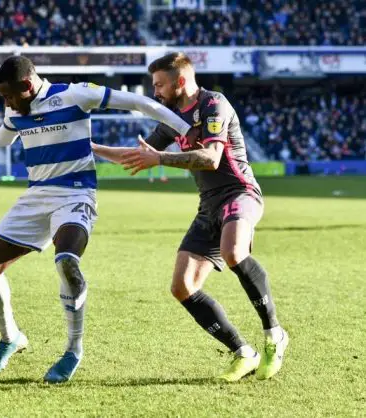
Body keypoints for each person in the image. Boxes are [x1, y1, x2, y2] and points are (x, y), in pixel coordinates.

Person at [0, 55, 197, 383]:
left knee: (67, 262)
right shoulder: (17, 108)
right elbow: (2, 136)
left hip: (75, 194)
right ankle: (10, 337)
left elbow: (141, 102)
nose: (8, 103)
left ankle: (73, 349)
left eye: (10, 96)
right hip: (36, 196)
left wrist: (187, 128)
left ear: (27, 86)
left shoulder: (75, 95)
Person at [93, 52, 288, 382]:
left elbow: (211, 159)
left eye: (160, 85)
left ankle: (274, 333)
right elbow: (140, 154)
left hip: (239, 194)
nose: (155, 92)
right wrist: (91, 146)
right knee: (182, 286)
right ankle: (244, 352)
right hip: (209, 206)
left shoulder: (213, 105)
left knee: (234, 252)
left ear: (180, 81)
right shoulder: (171, 115)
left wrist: (160, 160)